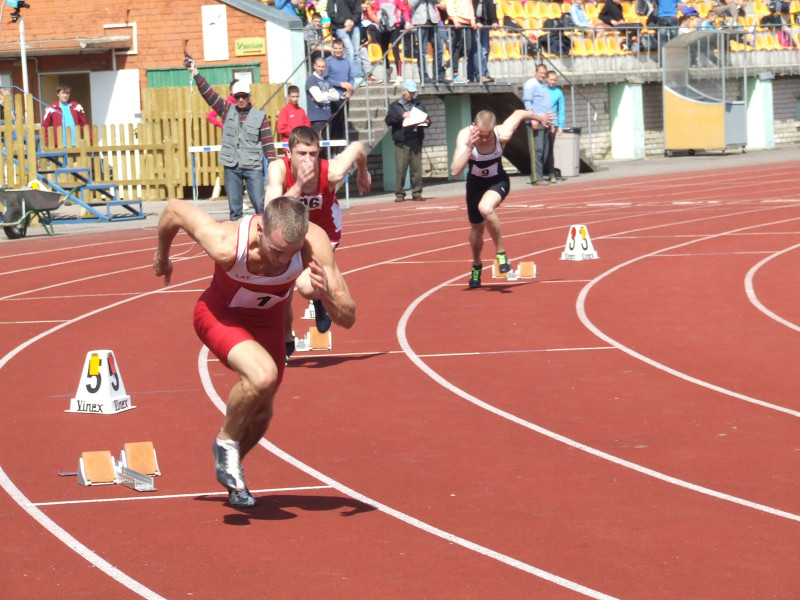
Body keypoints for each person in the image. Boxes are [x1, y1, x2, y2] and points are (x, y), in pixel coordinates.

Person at [152, 196, 356, 508]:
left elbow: (348, 318)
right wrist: (162, 256)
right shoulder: (227, 243)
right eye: (277, 251)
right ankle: (225, 441)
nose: (283, 260)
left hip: (268, 322)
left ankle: (232, 471)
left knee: (262, 411)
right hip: (220, 314)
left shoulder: (313, 244)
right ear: (260, 230)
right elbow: (173, 210)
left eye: (291, 253)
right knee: (262, 376)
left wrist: (327, 296)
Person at [265, 126, 371, 361]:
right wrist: (298, 186)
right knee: (281, 291)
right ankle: (286, 336)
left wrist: (363, 172)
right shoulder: (278, 170)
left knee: (304, 284)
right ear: (288, 152)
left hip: (322, 232)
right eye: (301, 154)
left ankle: (321, 297)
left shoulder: (331, 172)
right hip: (291, 230)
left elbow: (357, 147)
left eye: (313, 154)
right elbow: (269, 210)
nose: (308, 160)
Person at [450, 109, 552, 289]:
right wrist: (469, 148)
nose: (484, 139)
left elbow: (519, 113)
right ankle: (476, 266)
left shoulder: (503, 132)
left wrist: (539, 117)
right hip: (475, 185)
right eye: (480, 135)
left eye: (487, 136)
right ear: (474, 128)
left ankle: (501, 253)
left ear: (494, 130)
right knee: (477, 231)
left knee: (486, 208)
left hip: (497, 181)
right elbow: (455, 171)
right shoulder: (465, 136)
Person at [188, 61, 277, 221]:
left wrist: (272, 166)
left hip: (253, 168)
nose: (241, 99)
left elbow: (268, 144)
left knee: (260, 205)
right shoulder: (225, 109)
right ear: (233, 97)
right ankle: (238, 241)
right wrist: (196, 73)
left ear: (250, 97)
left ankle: (265, 238)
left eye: (244, 96)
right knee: (235, 210)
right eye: (237, 96)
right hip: (232, 167)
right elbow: (209, 95)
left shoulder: (260, 116)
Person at [384, 79, 430, 202]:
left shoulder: (419, 104)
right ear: (403, 91)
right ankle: (399, 193)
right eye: (409, 92)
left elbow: (427, 118)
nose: (411, 95)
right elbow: (388, 120)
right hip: (402, 141)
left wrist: (426, 121)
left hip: (416, 139)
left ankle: (417, 192)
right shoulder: (395, 106)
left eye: (413, 92)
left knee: (417, 168)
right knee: (401, 168)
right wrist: (401, 116)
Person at [521, 64, 554, 186]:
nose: (543, 75)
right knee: (537, 150)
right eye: (541, 73)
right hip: (535, 122)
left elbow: (546, 104)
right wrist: (532, 118)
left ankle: (535, 175)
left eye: (545, 74)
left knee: (545, 152)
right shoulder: (531, 84)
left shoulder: (544, 85)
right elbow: (528, 102)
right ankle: (536, 178)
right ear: (536, 72)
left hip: (545, 122)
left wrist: (550, 122)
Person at [325, 38, 356, 150]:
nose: (338, 50)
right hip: (334, 98)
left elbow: (352, 78)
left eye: (340, 48)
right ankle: (332, 151)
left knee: (343, 124)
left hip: (345, 97)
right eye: (336, 48)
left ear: (343, 49)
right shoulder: (328, 61)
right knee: (334, 125)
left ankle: (340, 150)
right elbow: (326, 79)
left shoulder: (346, 62)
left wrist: (349, 90)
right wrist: (340, 84)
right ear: (332, 49)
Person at [410, 0, 449, 84]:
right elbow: (411, 4)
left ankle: (438, 75)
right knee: (422, 51)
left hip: (434, 21)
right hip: (420, 22)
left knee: (439, 48)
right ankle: (424, 77)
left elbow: (438, 1)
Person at [329, 0, 367, 83]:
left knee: (356, 52)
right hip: (339, 27)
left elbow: (358, 12)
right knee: (349, 52)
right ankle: (352, 77)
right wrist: (344, 22)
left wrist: (351, 22)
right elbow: (331, 13)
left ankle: (359, 75)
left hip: (354, 26)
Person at [305, 55, 340, 134]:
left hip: (328, 117)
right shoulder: (311, 79)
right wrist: (329, 97)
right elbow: (319, 98)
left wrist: (324, 95)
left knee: (326, 144)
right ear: (314, 66)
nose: (321, 69)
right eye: (319, 66)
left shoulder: (326, 80)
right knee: (318, 143)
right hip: (316, 118)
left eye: (323, 67)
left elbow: (337, 96)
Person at [543, 70, 565, 184]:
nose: (553, 82)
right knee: (540, 150)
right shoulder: (542, 90)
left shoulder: (558, 93)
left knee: (550, 150)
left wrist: (560, 126)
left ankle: (551, 173)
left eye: (555, 80)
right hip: (543, 122)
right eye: (551, 79)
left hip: (553, 124)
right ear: (546, 79)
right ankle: (538, 173)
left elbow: (561, 110)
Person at [472, 0, 499, 83]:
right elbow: (471, 10)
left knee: (485, 50)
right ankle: (477, 75)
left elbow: (491, 8)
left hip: (485, 25)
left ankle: (484, 73)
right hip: (475, 25)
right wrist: (476, 21)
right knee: (477, 51)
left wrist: (494, 21)